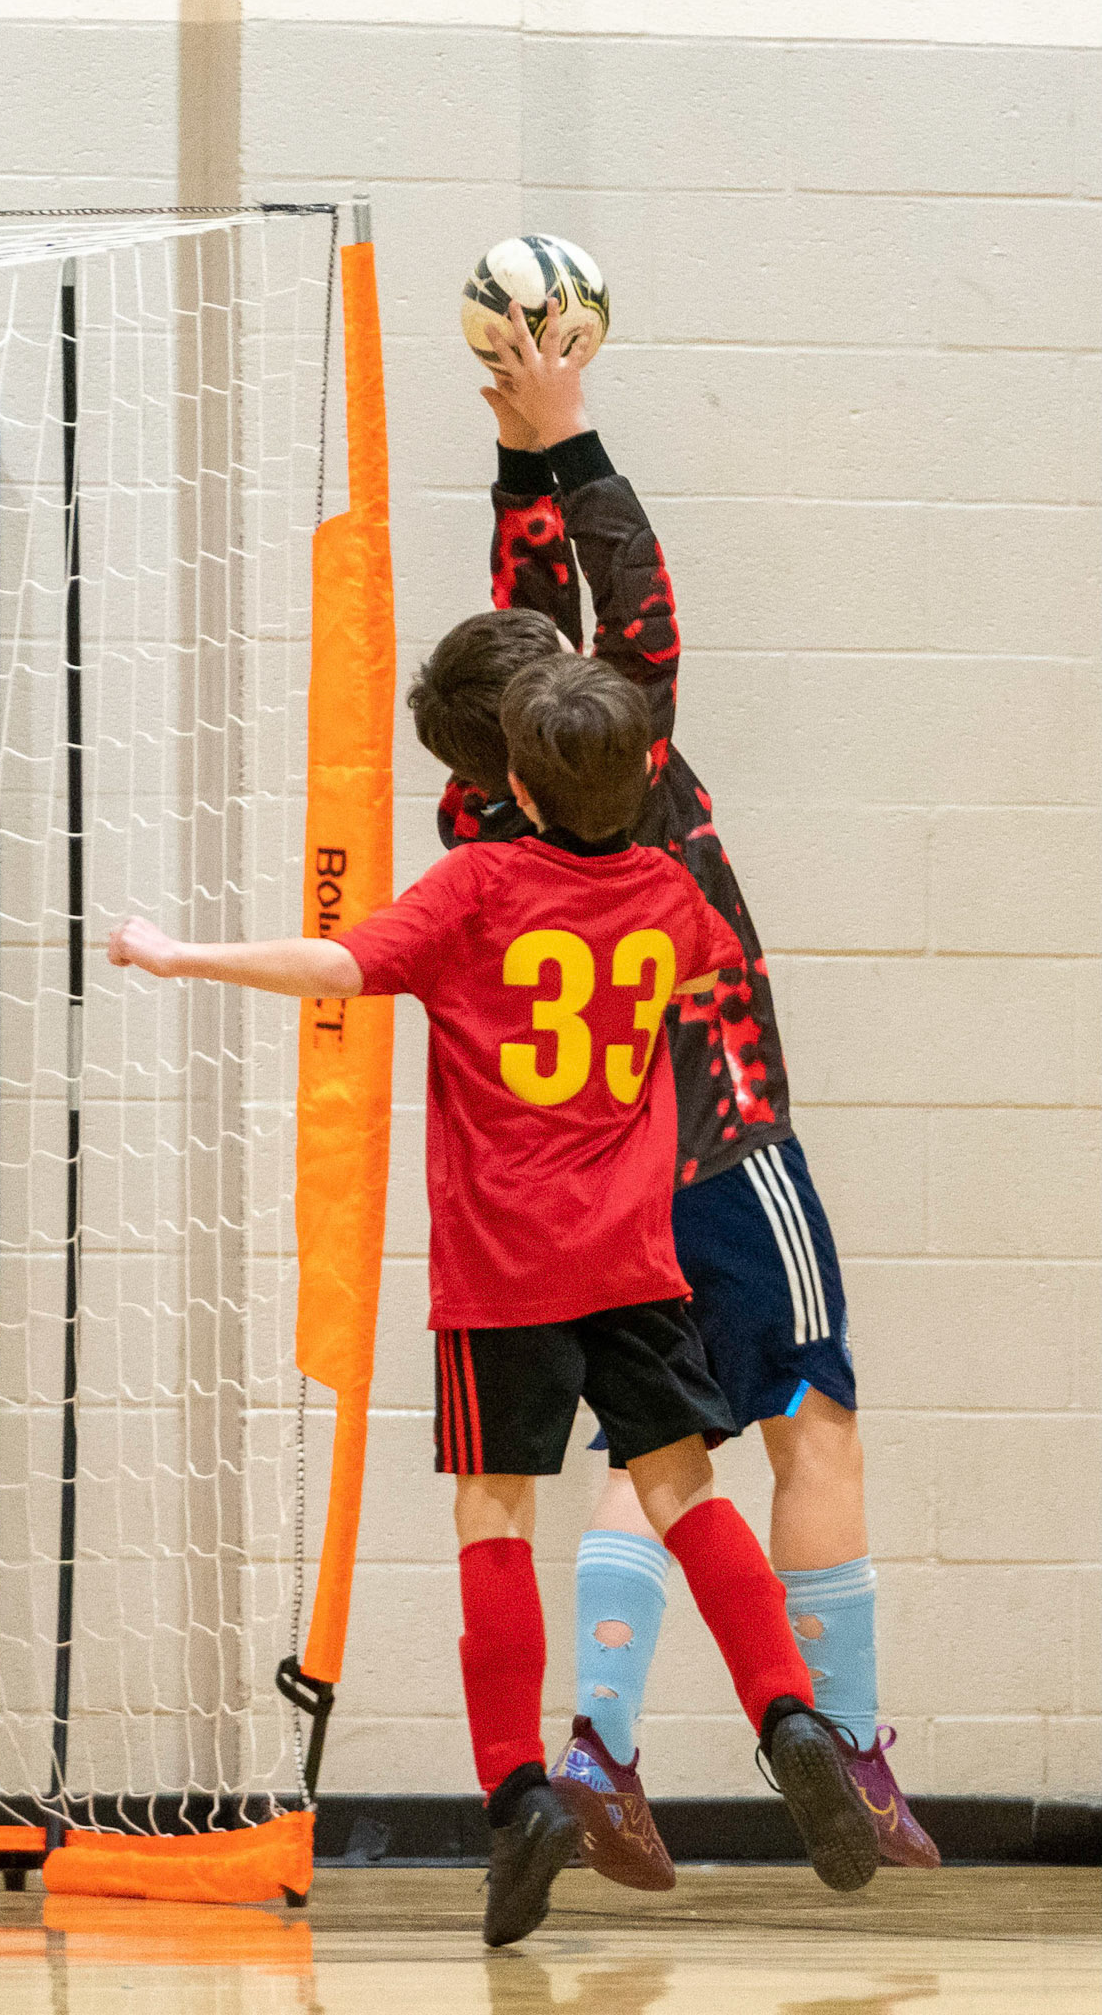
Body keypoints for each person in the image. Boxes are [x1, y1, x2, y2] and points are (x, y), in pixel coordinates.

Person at [110, 653, 879, 1948]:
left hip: (500, 1270)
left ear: (506, 778)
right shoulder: (674, 898)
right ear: (640, 775)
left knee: (494, 1519)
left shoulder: (472, 889)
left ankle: (515, 1790)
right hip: (633, 1263)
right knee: (685, 1486)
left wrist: (176, 955)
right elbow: (692, 972)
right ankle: (786, 1712)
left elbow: (333, 965)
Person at [405, 296, 937, 1888]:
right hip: (723, 1137)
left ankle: (598, 1751)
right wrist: (563, 438)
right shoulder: (641, 776)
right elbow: (630, 614)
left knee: (658, 1456)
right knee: (810, 1423)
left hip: (576, 1198)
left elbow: (540, 646)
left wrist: (512, 467)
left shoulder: (479, 837)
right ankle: (837, 1740)